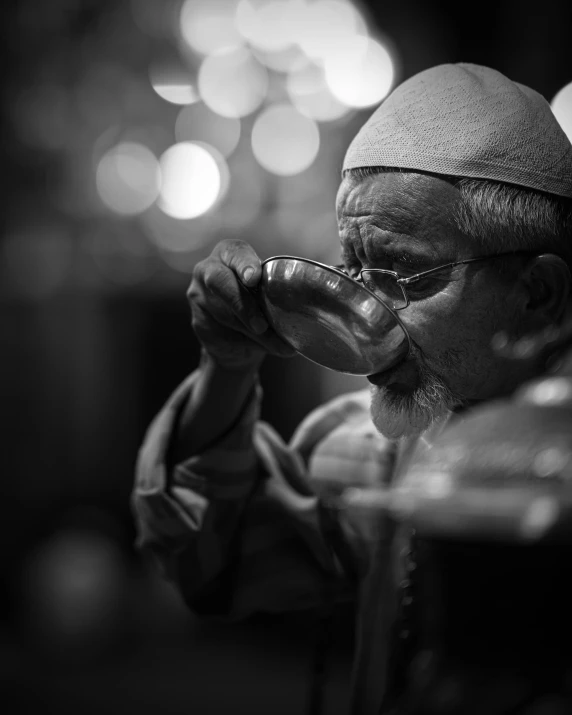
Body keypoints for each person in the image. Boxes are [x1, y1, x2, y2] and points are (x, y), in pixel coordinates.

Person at [131, 63, 572, 715]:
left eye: (406, 274)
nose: (366, 310)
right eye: (352, 267)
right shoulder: (377, 452)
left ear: (538, 292)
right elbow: (201, 563)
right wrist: (227, 364)